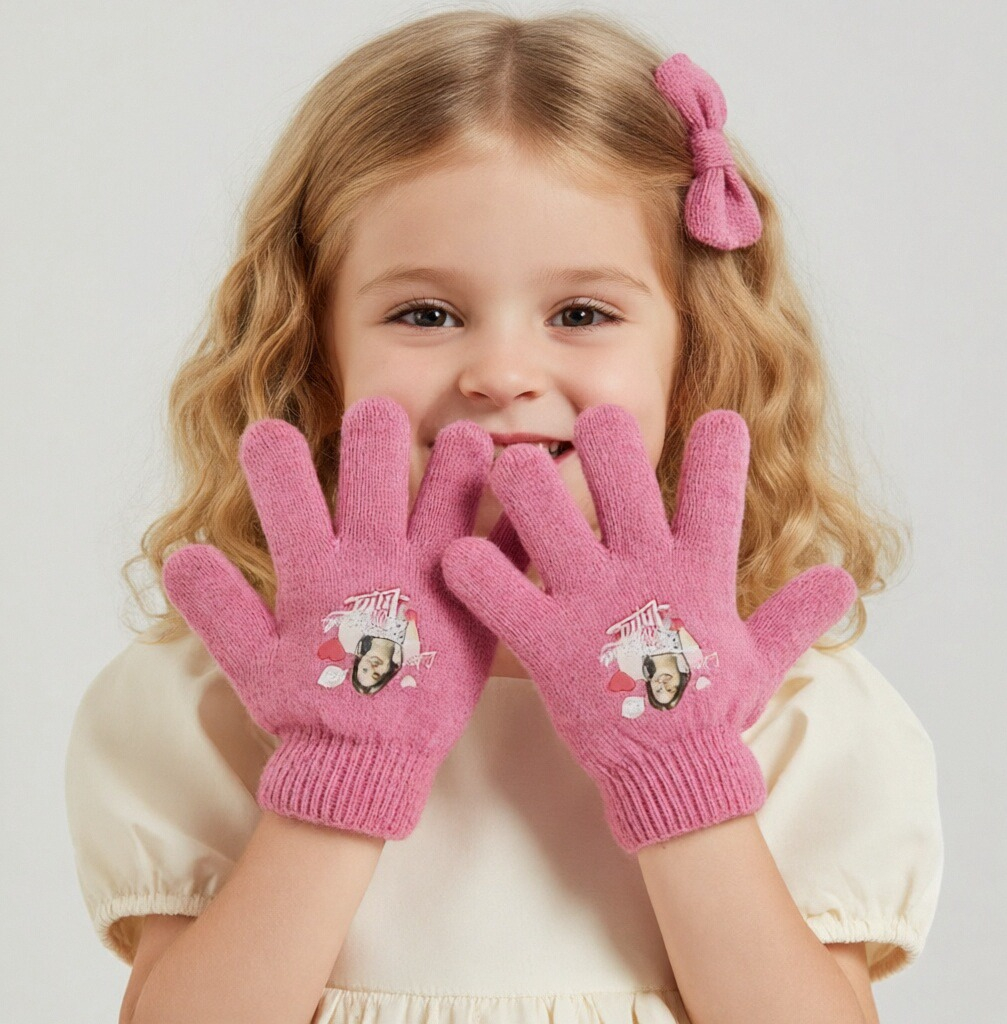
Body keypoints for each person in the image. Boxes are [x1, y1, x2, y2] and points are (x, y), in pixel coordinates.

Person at [64, 9, 943, 1024]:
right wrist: (346, 758)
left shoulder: (779, 705)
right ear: (313, 349)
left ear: (696, 349)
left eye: (581, 313)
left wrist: (681, 764)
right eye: (426, 314)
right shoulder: (228, 695)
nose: (502, 373)